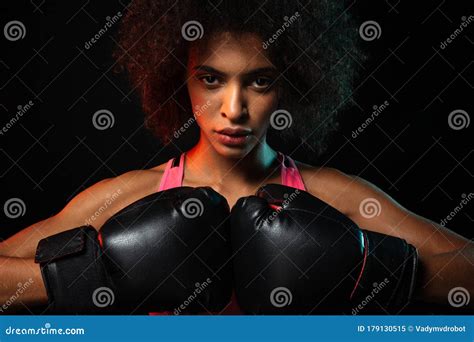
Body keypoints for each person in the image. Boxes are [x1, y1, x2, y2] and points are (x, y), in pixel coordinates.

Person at [0, 0, 472, 314]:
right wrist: (95, 274)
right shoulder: (129, 196)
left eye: (259, 81)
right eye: (210, 79)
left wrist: (368, 268)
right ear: (175, 78)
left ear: (292, 83)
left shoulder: (334, 196)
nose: (233, 108)